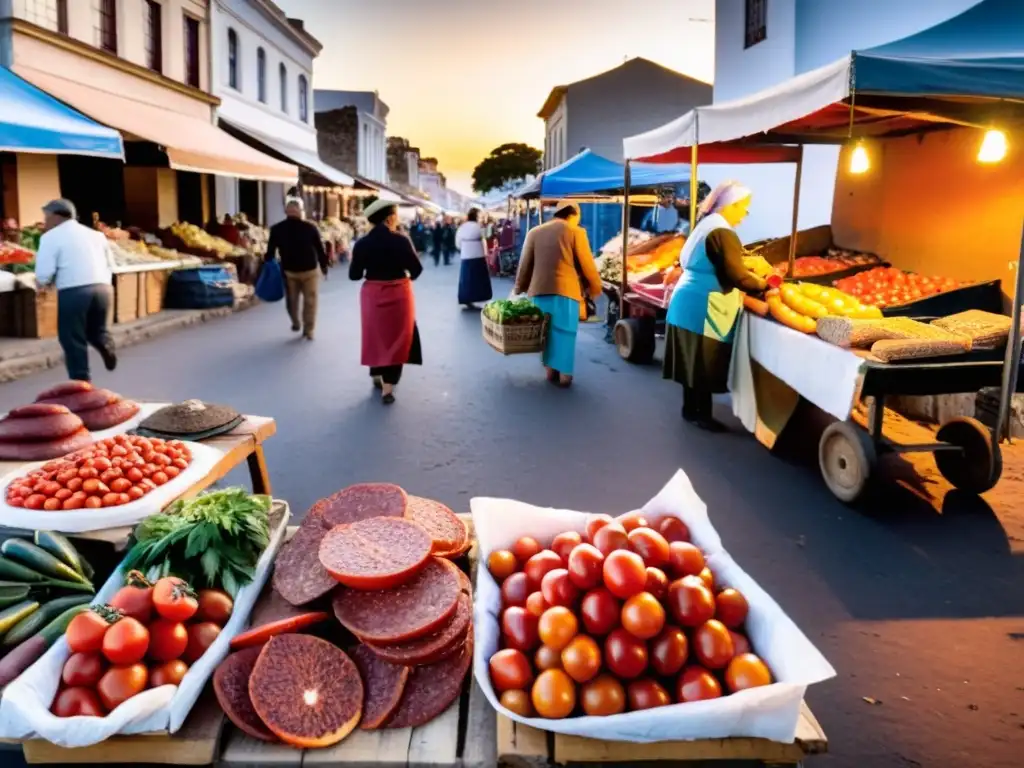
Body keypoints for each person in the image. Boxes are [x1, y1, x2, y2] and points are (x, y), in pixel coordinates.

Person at [663, 181, 766, 432]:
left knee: (692, 359)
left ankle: (690, 410)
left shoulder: (705, 226)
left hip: (687, 300)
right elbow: (736, 275)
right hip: (704, 305)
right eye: (744, 208)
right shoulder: (722, 232)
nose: (744, 214)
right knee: (703, 360)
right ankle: (702, 416)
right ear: (732, 205)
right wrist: (764, 285)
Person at [514, 200, 602, 388]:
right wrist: (595, 286)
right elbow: (587, 264)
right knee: (565, 332)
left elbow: (525, 264)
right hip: (566, 291)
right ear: (573, 214)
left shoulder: (534, 232)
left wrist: (519, 287)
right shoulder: (576, 232)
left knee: (546, 332)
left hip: (539, 291)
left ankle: (550, 370)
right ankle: (565, 375)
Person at [350, 199, 424, 405]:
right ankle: (388, 387)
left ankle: (377, 374)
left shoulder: (362, 244)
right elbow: (416, 270)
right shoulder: (401, 240)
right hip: (399, 294)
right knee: (399, 337)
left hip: (373, 295)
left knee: (376, 336)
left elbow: (354, 275)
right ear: (390, 217)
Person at [34, 199, 116, 382]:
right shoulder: (96, 235)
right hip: (104, 289)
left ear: (56, 216)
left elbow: (44, 274)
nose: (45, 221)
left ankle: (81, 381)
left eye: (46, 217)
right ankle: (106, 344)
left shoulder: (50, 237)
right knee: (97, 331)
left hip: (74, 291)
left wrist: (42, 284)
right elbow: (111, 264)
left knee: (72, 337)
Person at [264, 198, 328, 340]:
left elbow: (270, 252)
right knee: (310, 301)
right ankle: (308, 329)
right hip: (306, 270)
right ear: (300, 212)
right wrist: (324, 266)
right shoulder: (310, 228)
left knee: (292, 300)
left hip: (290, 270)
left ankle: (299, 323)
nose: (294, 212)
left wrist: (268, 264)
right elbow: (319, 248)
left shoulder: (277, 229)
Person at [455, 208, 493, 308]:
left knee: (466, 278)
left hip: (466, 254)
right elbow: (486, 237)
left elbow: (458, 242)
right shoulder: (478, 227)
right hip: (478, 254)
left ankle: (466, 298)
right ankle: (480, 297)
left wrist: (462, 249)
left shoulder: (462, 227)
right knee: (479, 278)